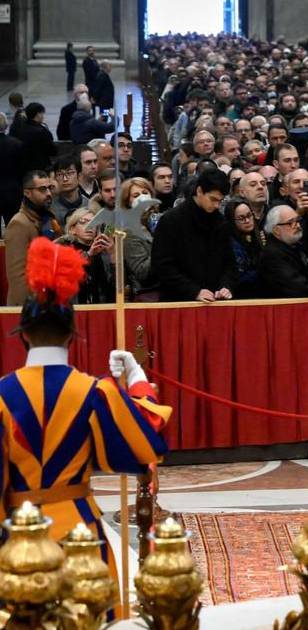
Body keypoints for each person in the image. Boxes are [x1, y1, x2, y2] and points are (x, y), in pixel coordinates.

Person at [1, 236, 169, 581]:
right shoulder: (96, 392)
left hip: (17, 538)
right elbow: (146, 441)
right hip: (81, 536)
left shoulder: (1, 396)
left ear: (23, 335)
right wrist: (137, 379)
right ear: (72, 334)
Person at [150, 168, 238, 302]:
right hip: (178, 300)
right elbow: (162, 265)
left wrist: (226, 286)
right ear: (199, 191)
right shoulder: (172, 220)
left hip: (214, 299)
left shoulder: (220, 222)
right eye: (213, 199)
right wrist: (193, 291)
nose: (216, 205)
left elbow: (229, 263)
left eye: (220, 201)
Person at [7, 171, 63, 305]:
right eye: (42, 189)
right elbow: (18, 277)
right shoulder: (19, 223)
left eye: (50, 188)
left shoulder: (49, 217)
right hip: (30, 306)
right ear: (27, 193)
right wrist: (30, 309)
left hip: (50, 301)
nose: (49, 193)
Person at [259, 204, 308, 298]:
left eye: (297, 220)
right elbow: (300, 287)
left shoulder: (295, 244)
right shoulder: (272, 255)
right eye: (290, 223)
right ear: (276, 230)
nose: (298, 225)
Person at [55, 207, 115, 304]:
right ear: (72, 229)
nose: (89, 227)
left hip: (100, 307)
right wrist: (89, 254)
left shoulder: (103, 251)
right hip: (74, 307)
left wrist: (113, 255)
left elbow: (114, 286)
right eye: (83, 222)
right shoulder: (63, 250)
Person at [222, 195, 264, 297]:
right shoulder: (229, 244)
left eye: (249, 215)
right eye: (241, 218)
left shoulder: (260, 235)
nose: (247, 221)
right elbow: (237, 277)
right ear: (232, 221)